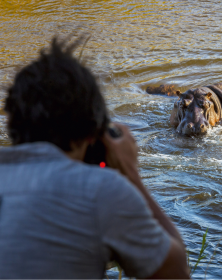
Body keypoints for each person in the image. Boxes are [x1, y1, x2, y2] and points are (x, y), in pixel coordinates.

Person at [0, 37, 189, 279]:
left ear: (12, 120)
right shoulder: (100, 192)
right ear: (93, 131)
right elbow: (176, 273)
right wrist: (130, 174)